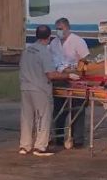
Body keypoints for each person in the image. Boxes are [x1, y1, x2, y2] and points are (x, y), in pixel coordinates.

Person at [20, 24, 78, 156]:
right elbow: (51, 74)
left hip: (25, 88)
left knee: (26, 118)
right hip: (39, 88)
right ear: (49, 37)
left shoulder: (27, 50)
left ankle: (25, 146)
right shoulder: (44, 52)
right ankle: (40, 147)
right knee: (42, 117)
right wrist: (68, 75)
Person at [50, 17, 90, 147]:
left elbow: (85, 60)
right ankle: (58, 138)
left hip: (76, 78)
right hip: (60, 78)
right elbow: (52, 60)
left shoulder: (78, 41)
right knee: (59, 109)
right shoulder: (54, 43)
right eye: (56, 29)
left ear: (67, 28)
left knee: (77, 109)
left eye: (60, 29)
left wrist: (74, 70)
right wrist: (63, 71)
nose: (58, 32)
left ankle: (77, 139)